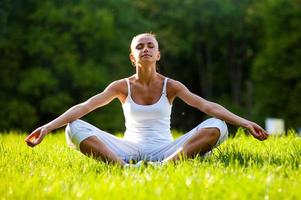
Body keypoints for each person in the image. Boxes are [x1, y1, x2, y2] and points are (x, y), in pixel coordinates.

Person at [25, 33, 268, 167]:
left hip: (167, 149)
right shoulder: (121, 86)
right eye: (139, 47)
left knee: (218, 126)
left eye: (150, 46)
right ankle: (124, 169)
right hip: (128, 149)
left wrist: (245, 122)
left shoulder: (170, 85)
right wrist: (47, 127)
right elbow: (85, 106)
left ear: (158, 54)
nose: (145, 49)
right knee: (74, 128)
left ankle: (164, 168)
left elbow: (207, 106)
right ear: (133, 57)